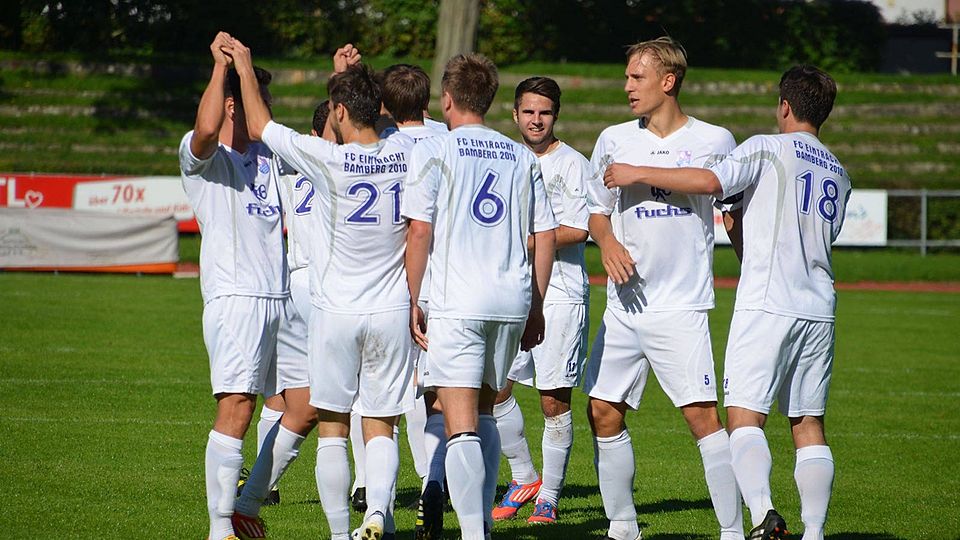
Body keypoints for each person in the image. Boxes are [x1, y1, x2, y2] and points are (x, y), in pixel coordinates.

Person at [602, 64, 850, 540]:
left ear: (785, 106)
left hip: (767, 301)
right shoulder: (838, 172)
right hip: (820, 306)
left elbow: (712, 183)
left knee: (743, 417)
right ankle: (815, 532)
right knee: (807, 423)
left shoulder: (767, 147)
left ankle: (763, 515)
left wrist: (636, 171)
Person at [230, 38, 416, 540]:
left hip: (333, 309)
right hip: (391, 308)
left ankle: (337, 534)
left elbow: (260, 125)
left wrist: (245, 66)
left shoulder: (325, 159)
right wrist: (354, 78)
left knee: (332, 426)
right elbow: (383, 120)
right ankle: (376, 515)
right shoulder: (404, 150)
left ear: (337, 111)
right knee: (381, 424)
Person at [581, 37, 742, 540]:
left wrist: (639, 173)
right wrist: (606, 241)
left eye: (637, 77)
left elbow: (724, 195)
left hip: (680, 305)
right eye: (627, 77)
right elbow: (596, 210)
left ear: (668, 81)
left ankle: (733, 530)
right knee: (602, 410)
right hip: (624, 305)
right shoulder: (612, 138)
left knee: (701, 418)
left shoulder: (715, 138)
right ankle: (622, 526)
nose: (627, 86)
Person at [401, 53, 558, 540]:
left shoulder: (436, 150)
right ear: (490, 100)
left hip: (459, 301)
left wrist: (412, 298)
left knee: (460, 423)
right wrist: (536, 304)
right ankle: (484, 523)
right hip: (510, 300)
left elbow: (419, 231)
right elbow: (545, 234)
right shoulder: (520, 156)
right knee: (487, 412)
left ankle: (474, 533)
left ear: (447, 99)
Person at [178, 32, 289, 540]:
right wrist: (223, 68)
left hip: (283, 297)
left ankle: (245, 504)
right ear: (231, 105)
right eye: (252, 100)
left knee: (308, 404)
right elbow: (205, 128)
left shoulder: (270, 159)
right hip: (237, 298)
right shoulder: (206, 160)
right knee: (238, 407)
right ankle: (220, 527)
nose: (264, 111)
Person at [490, 76, 591, 525]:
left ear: (556, 116)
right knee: (494, 389)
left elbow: (578, 229)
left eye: (544, 112)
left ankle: (548, 497)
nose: (536, 120)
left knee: (553, 401)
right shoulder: (504, 159)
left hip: (561, 295)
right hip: (510, 292)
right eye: (528, 111)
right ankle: (524, 477)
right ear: (515, 114)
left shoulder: (573, 164)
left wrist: (521, 238)